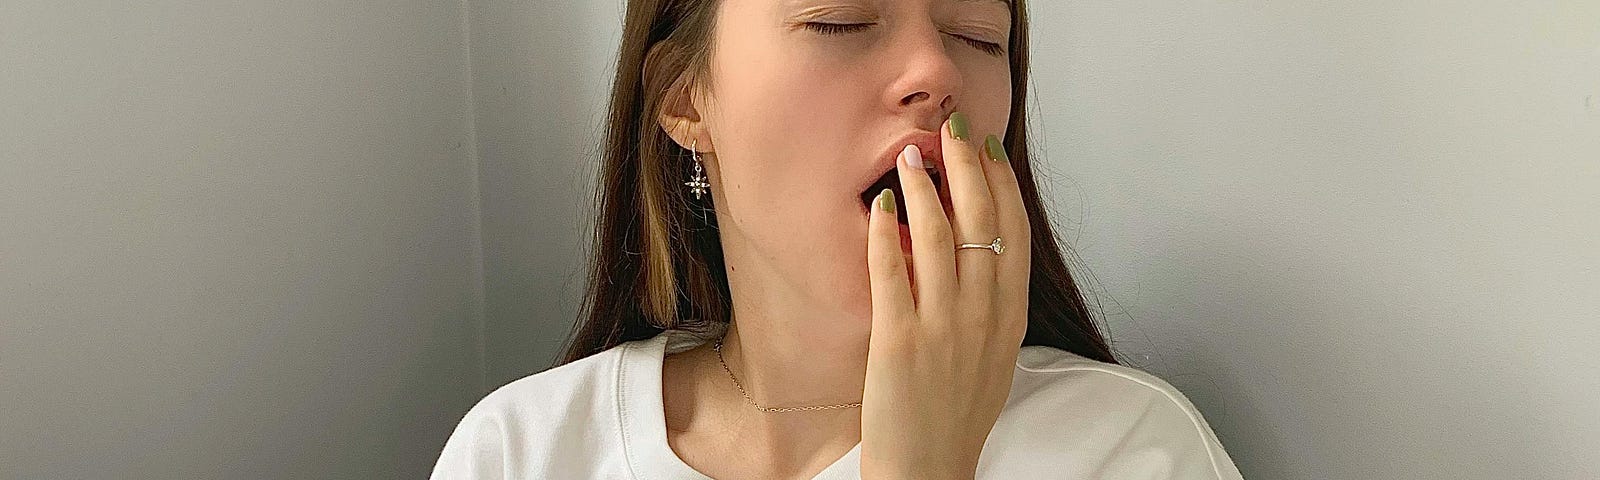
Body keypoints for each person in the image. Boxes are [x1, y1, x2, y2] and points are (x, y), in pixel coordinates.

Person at [430, 0, 1245, 478]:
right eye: (841, 19)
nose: (935, 71)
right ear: (685, 101)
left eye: (980, 36)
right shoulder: (522, 452)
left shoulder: (1130, 449)